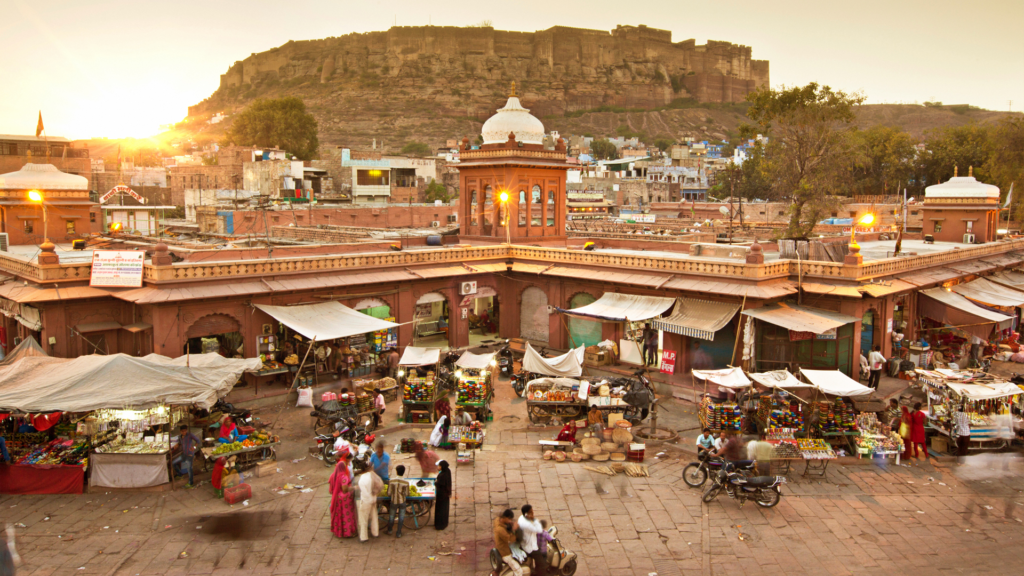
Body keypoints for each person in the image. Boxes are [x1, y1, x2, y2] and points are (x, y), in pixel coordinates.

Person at [328, 447, 357, 538]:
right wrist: (353, 488)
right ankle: (348, 533)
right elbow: (345, 489)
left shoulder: (335, 475)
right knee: (347, 516)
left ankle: (339, 532)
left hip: (337, 497)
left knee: (340, 516)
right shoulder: (344, 477)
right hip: (344, 498)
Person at [517, 504, 547, 576]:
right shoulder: (527, 524)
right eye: (531, 511)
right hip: (530, 547)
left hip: (524, 544)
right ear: (526, 514)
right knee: (542, 564)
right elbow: (539, 529)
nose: (533, 512)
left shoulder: (521, 518)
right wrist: (533, 519)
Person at [356, 469, 384, 542]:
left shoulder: (361, 480)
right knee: (374, 517)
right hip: (374, 499)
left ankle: (364, 537)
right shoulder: (372, 475)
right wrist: (373, 498)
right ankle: (375, 533)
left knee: (363, 519)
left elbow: (365, 493)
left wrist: (369, 499)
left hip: (366, 501)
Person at [384, 465, 410, 538]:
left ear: (397, 472)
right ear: (404, 472)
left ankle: (389, 531)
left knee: (391, 516)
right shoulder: (406, 482)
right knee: (401, 517)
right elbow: (407, 493)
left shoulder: (391, 481)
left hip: (393, 501)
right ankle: (398, 533)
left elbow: (388, 493)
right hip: (402, 502)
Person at [494, 509, 521, 576]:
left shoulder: (497, 520)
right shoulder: (500, 530)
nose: (510, 521)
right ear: (506, 518)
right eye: (510, 519)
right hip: (505, 554)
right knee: (519, 571)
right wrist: (514, 529)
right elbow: (510, 539)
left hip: (502, 547)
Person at [434, 460, 452, 530]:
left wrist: (435, 483)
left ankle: (439, 525)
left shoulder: (442, 476)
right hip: (446, 494)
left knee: (440, 510)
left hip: (441, 495)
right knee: (445, 509)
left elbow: (438, 484)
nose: (438, 467)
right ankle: (444, 523)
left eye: (439, 466)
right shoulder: (447, 471)